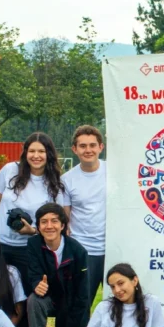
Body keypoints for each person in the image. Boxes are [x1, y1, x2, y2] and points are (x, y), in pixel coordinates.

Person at [0, 132, 70, 295]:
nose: (36, 156)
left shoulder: (55, 184)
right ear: (25, 152)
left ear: (49, 154)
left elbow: (58, 222)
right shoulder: (10, 170)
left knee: (30, 295)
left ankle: (39, 322)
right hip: (0, 243)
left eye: (41, 151)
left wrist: (33, 231)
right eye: (32, 151)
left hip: (30, 248)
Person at [26, 203, 90, 327]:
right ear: (38, 227)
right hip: (48, 300)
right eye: (44, 221)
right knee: (34, 300)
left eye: (54, 221)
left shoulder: (78, 251)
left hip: (70, 306)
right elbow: (33, 274)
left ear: (62, 225)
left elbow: (82, 298)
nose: (49, 226)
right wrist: (36, 285)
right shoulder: (33, 244)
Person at [61, 125, 107, 304]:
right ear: (74, 149)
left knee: (119, 303)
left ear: (101, 147)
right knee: (81, 303)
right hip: (83, 250)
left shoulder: (115, 173)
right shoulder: (66, 180)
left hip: (113, 249)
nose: (88, 150)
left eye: (92, 145)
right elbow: (66, 218)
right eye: (83, 146)